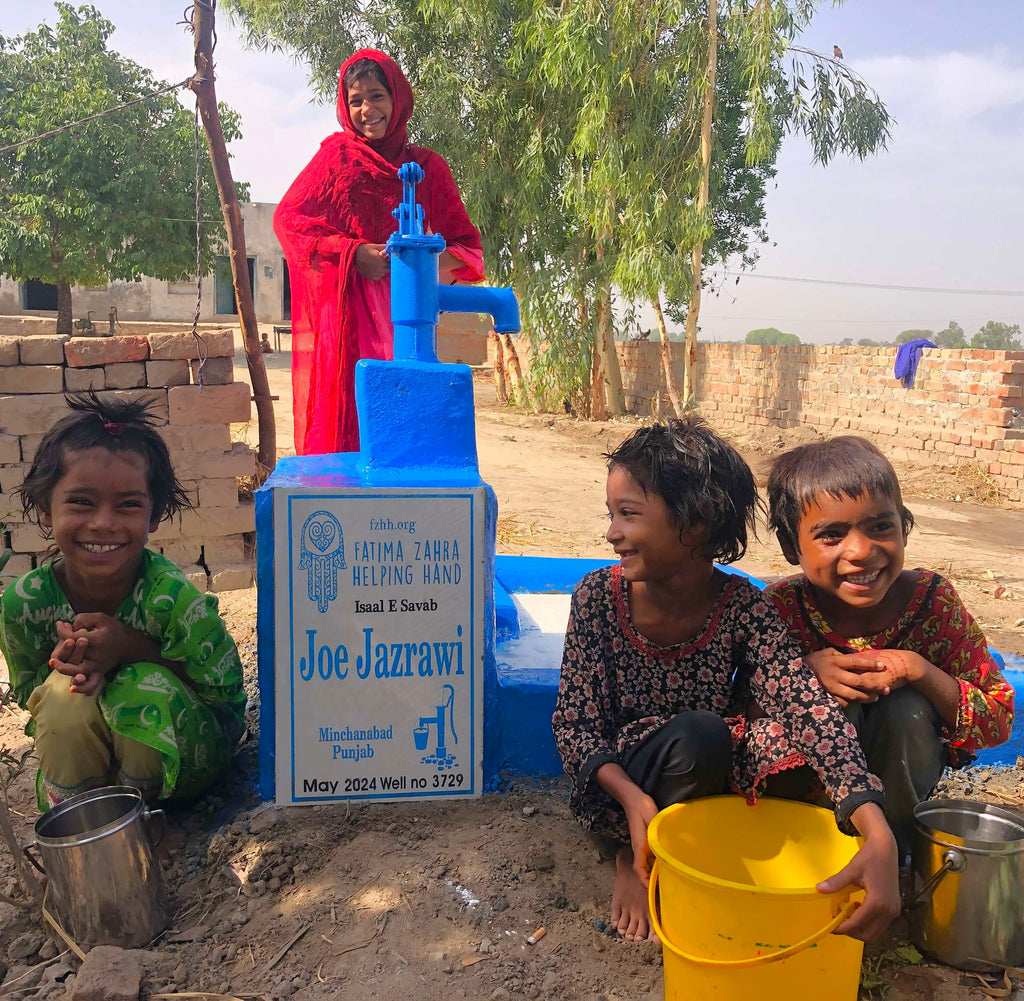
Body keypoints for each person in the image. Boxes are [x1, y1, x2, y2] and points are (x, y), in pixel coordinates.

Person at [551, 418, 899, 944]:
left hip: (706, 767)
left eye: (628, 514)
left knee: (784, 736)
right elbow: (575, 726)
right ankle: (631, 855)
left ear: (695, 524)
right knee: (699, 736)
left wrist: (875, 825)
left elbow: (804, 704)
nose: (612, 533)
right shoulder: (597, 597)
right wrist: (630, 798)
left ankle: (735, 845)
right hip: (625, 781)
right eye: (612, 514)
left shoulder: (742, 606)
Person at [765, 436, 1014, 855]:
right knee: (825, 703)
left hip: (899, 792)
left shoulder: (934, 603)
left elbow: (998, 719)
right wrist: (801, 677)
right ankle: (813, 849)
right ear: (792, 548)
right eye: (831, 535)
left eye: (881, 526)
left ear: (905, 526)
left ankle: (893, 852)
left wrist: (921, 671)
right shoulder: (779, 609)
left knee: (903, 710)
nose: (862, 551)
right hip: (804, 813)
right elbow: (737, 717)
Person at [0, 393, 247, 812]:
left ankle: (144, 818)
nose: (103, 523)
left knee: (136, 689)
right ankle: (84, 827)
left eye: (129, 505)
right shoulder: (24, 604)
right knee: (62, 696)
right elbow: (29, 696)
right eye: (82, 502)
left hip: (185, 758)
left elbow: (223, 698)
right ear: (45, 508)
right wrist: (67, 667)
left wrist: (128, 650)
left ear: (153, 516)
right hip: (93, 752)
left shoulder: (173, 598)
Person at [274, 48, 485, 455]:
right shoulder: (335, 159)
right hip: (347, 318)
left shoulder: (428, 168)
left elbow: (466, 245)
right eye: (355, 100)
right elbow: (288, 220)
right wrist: (353, 254)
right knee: (348, 417)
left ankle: (400, 516)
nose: (367, 109)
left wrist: (419, 268)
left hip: (406, 319)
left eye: (376, 95)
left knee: (405, 425)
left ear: (398, 99)